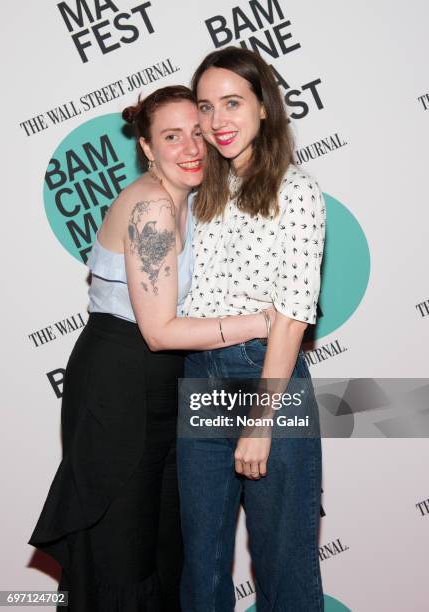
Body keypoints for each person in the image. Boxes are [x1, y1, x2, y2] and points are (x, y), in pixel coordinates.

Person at [29, 85, 274, 612]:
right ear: (146, 146)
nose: (190, 147)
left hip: (162, 386)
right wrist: (260, 322)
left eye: (197, 133)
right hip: (120, 388)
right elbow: (160, 330)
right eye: (171, 136)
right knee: (123, 553)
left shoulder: (190, 205)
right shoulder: (153, 208)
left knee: (165, 552)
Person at [177, 48, 326, 611]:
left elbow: (292, 315)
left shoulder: (297, 191)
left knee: (284, 567)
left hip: (268, 379)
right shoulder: (201, 197)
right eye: (207, 107)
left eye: (233, 103)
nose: (219, 121)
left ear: (264, 107)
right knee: (202, 570)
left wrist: (261, 422)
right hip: (200, 381)